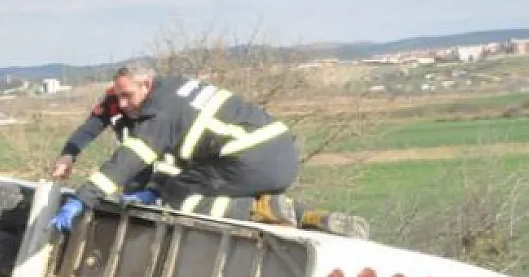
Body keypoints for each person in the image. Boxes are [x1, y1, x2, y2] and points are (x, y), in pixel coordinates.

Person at [51, 65, 368, 237]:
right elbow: (173, 159)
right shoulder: (174, 88)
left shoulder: (159, 113)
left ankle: (261, 211)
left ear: (146, 85)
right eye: (118, 98)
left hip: (249, 157)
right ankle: (309, 216)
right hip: (280, 153)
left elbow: (129, 159)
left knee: (179, 198)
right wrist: (151, 188)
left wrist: (81, 200)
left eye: (127, 96)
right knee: (181, 184)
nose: (122, 105)